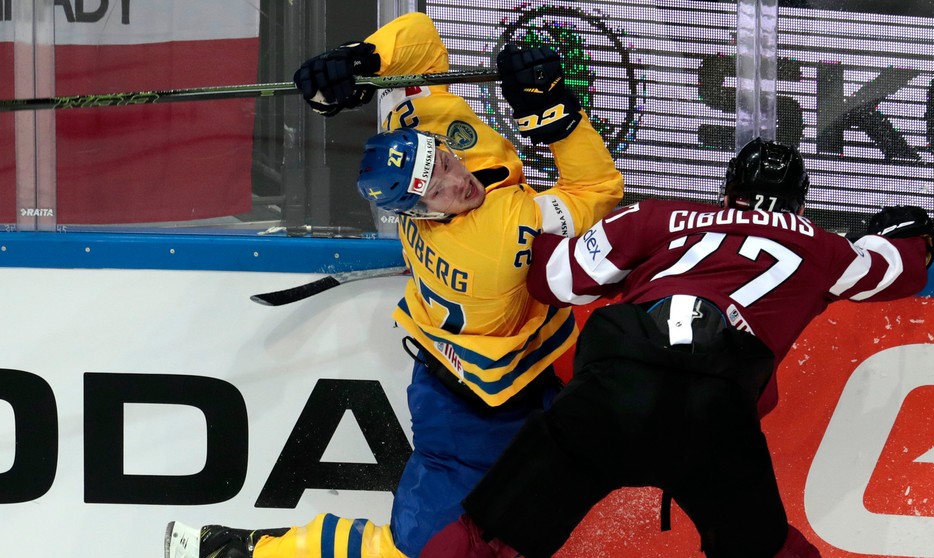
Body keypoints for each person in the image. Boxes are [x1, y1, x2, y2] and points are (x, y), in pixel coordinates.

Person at [164, 11, 622, 558]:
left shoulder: (414, 136)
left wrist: (361, 60)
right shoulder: (500, 240)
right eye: (441, 189)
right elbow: (597, 188)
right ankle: (243, 551)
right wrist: (554, 115)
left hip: (516, 377)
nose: (460, 180)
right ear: (419, 213)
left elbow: (422, 40)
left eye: (447, 162)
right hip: (470, 410)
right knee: (422, 550)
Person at [420, 138, 934, 558]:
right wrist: (911, 233)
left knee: (482, 541)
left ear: (726, 191)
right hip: (715, 416)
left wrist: (522, 227)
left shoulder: (655, 217)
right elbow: (895, 268)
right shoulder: (822, 247)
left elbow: (554, 281)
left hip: (610, 393)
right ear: (800, 204)